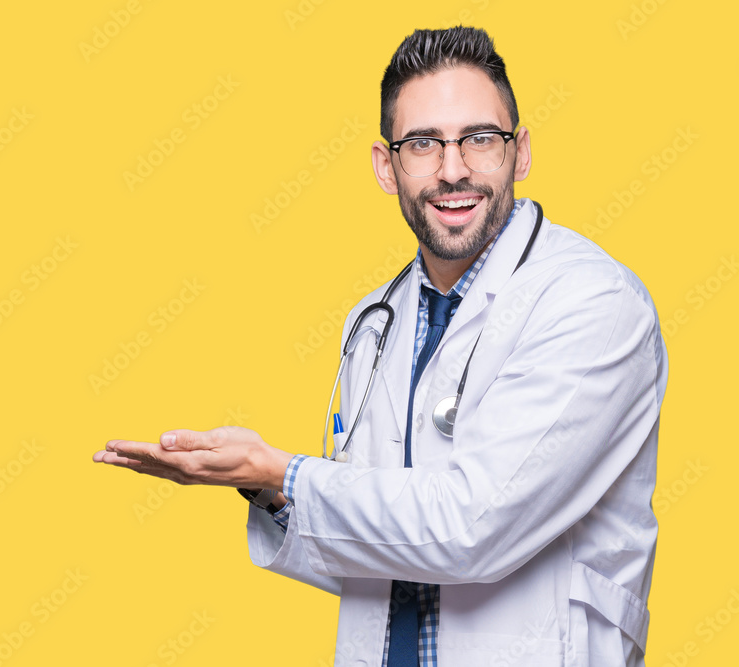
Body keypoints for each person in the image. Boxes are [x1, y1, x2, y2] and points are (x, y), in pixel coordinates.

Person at [94, 26, 667, 667]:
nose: (453, 170)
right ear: (385, 167)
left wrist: (283, 471)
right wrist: (269, 492)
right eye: (423, 144)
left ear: (521, 152)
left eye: (480, 138)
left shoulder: (592, 302)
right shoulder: (375, 323)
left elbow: (472, 530)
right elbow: (380, 550)